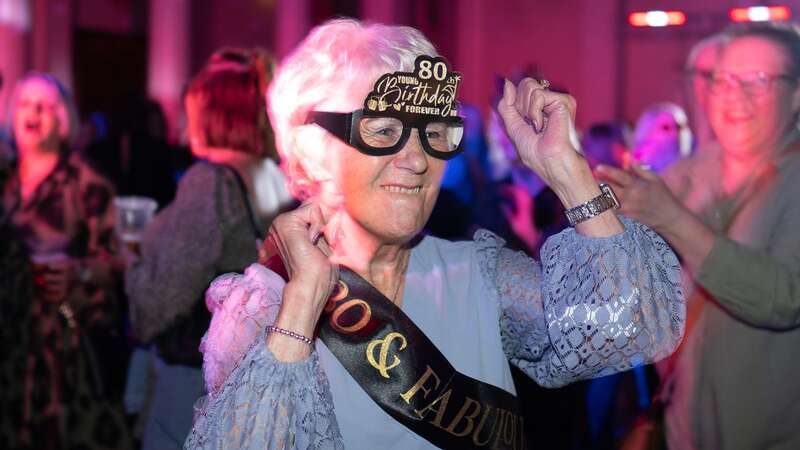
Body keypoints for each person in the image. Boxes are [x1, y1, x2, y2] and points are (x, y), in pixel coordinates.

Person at [184, 19, 684, 449]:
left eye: (434, 131)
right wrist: (303, 303)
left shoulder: (479, 275)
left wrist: (567, 171)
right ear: (313, 151)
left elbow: (630, 331)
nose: (418, 158)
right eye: (383, 131)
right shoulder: (263, 304)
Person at [597, 22, 800, 450]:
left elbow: (785, 297)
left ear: (796, 94)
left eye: (758, 80)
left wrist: (672, 219)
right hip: (682, 430)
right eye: (723, 79)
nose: (734, 95)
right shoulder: (691, 173)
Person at [126, 48, 293, 450]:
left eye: (190, 110)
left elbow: (157, 303)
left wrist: (128, 265)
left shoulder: (209, 182)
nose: (181, 123)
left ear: (217, 113)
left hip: (194, 385)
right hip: (252, 378)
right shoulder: (277, 177)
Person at [0, 73, 133, 449]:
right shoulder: (4, 182)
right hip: (8, 348)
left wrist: (82, 271)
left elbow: (123, 259)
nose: (34, 112)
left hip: (63, 358)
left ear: (62, 120)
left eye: (45, 105)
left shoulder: (86, 183)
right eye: (26, 103)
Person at [631, 103, 692, 174]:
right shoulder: (637, 162)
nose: (674, 134)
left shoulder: (686, 162)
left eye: (677, 128)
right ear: (647, 130)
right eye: (665, 128)